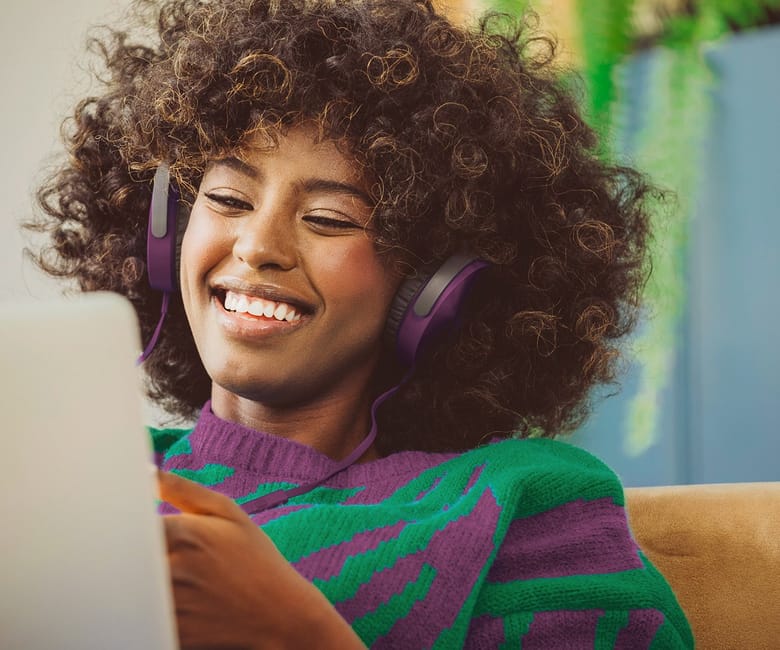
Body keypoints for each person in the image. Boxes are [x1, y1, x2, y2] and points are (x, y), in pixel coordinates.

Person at [28, 0, 693, 647]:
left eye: (328, 218)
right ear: (165, 234)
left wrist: (293, 632)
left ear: (435, 289)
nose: (258, 246)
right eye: (228, 198)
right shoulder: (67, 483)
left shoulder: (524, 512)